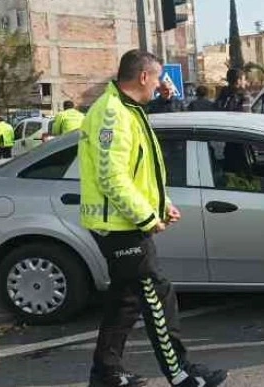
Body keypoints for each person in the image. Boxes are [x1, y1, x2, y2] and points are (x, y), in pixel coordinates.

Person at [79, 49, 226, 387]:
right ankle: (180, 373)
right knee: (157, 294)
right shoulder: (113, 113)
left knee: (126, 300)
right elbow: (111, 177)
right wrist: (147, 218)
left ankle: (106, 373)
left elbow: (139, 172)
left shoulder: (128, 109)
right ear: (144, 77)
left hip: (124, 221)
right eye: (158, 77)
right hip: (120, 226)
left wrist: (162, 205)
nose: (160, 84)